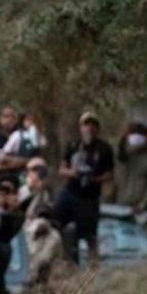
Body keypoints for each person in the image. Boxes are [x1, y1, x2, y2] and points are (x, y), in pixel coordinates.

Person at [53, 111, 115, 267]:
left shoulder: (104, 148)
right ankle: (64, 260)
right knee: (55, 223)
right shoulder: (73, 145)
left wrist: (94, 179)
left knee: (90, 235)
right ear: (80, 127)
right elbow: (61, 169)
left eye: (93, 125)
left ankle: (94, 268)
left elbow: (109, 174)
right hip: (70, 192)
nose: (89, 128)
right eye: (86, 124)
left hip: (89, 198)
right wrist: (73, 173)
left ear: (97, 128)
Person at [114, 121, 147, 214]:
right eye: (133, 134)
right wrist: (123, 138)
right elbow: (120, 156)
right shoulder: (124, 156)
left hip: (141, 208)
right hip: (122, 203)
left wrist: (143, 204)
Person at [0, 105, 26, 171]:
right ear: (0, 119)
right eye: (6, 116)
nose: (10, 119)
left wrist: (10, 160)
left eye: (13, 117)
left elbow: (29, 159)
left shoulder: (24, 137)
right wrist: (3, 167)